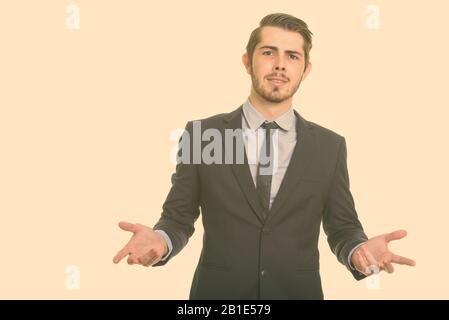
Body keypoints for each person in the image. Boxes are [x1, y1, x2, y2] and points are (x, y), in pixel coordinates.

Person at [113, 13, 416, 300]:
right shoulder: (205, 135)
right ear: (248, 62)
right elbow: (178, 217)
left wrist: (358, 251)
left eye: (292, 56)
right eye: (269, 53)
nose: (280, 65)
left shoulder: (328, 145)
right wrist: (161, 241)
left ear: (305, 69)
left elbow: (342, 227)